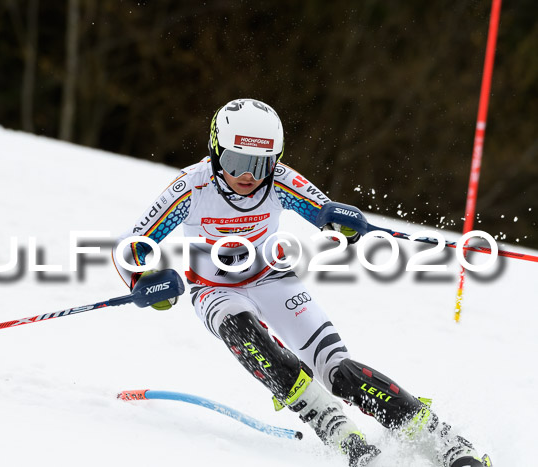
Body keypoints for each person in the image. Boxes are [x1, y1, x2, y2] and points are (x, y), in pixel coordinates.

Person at [111, 98, 490, 467]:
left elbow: (323, 212)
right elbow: (131, 247)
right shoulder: (191, 189)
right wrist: (144, 279)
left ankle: (446, 442)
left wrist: (344, 222)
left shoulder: (279, 181)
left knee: (340, 372)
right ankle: (340, 434)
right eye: (236, 161)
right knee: (245, 334)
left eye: (261, 164)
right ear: (214, 150)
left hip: (273, 280)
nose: (249, 175)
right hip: (214, 290)